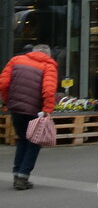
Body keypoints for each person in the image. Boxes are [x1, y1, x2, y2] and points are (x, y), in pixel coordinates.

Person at [0, 44, 59, 190]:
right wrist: (47, 110)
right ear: (48, 54)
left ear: (33, 52)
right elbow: (49, 90)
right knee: (34, 142)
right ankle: (23, 177)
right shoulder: (48, 66)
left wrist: (9, 101)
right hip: (34, 111)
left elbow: (3, 84)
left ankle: (17, 173)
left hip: (16, 108)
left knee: (22, 140)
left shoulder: (16, 60)